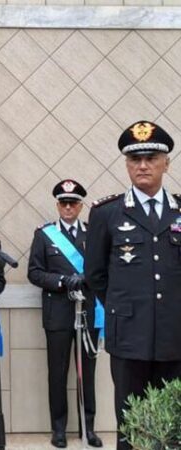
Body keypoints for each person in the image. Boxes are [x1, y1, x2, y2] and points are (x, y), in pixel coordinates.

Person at [85, 121, 181, 450]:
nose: (143, 166)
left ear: (166, 163)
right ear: (127, 164)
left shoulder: (180, 210)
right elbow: (96, 274)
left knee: (172, 421)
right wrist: (124, 306)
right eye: (135, 159)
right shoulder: (106, 214)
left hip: (174, 335)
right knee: (130, 421)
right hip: (128, 335)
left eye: (151, 158)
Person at [28, 179, 102, 448]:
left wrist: (85, 278)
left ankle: (88, 428)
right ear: (57, 205)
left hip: (88, 313)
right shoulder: (44, 235)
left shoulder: (93, 233)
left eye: (73, 203)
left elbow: (103, 269)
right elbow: (34, 273)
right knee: (57, 373)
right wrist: (61, 282)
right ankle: (58, 429)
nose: (68, 207)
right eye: (63, 202)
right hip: (58, 314)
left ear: (81, 206)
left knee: (87, 374)